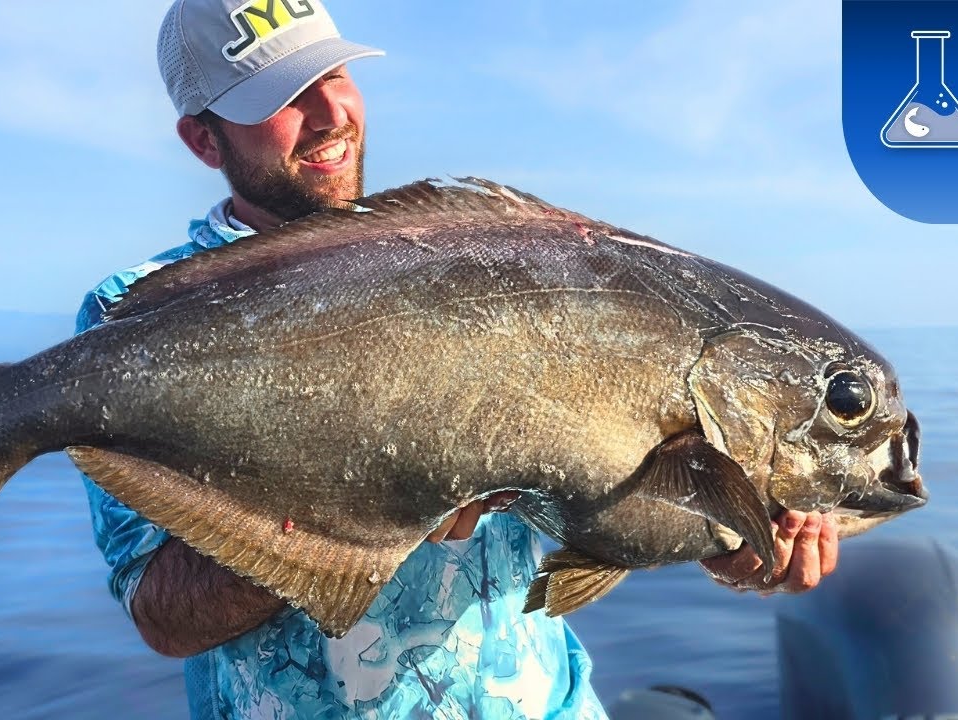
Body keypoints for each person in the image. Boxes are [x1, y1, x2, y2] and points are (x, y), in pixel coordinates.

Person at [76, 1, 841, 717]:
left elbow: (587, 483)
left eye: (334, 75)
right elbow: (164, 613)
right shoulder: (135, 314)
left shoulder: (476, 256)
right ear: (204, 139)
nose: (330, 114)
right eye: (280, 96)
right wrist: (380, 502)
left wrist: (724, 538)